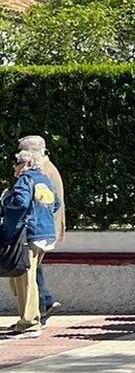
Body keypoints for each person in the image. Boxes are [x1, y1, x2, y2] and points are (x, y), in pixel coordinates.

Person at [2, 148, 58, 338]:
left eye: (17, 163)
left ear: (27, 164)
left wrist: (5, 198)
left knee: (25, 279)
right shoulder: (44, 179)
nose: (14, 168)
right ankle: (26, 320)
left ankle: (29, 323)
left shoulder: (25, 179)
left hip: (28, 235)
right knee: (26, 277)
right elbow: (56, 204)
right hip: (45, 233)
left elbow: (19, 202)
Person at [17, 136, 63, 323]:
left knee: (30, 272)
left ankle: (40, 310)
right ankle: (45, 304)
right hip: (46, 228)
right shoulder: (48, 168)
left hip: (38, 229)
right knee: (35, 270)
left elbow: (26, 202)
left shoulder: (38, 171)